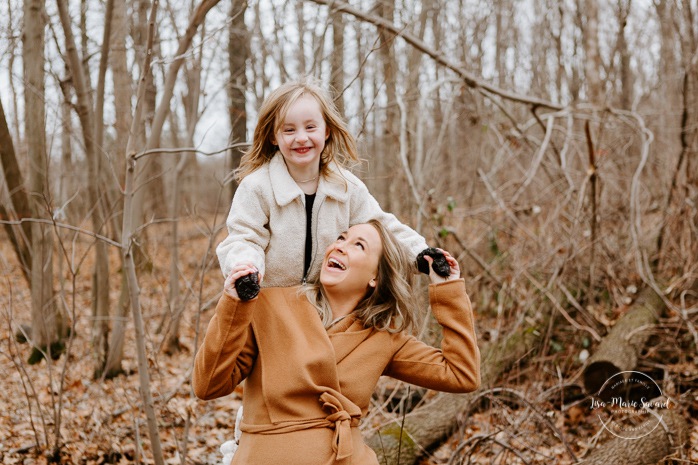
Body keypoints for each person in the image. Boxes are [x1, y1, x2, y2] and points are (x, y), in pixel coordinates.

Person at [193, 220, 480, 465]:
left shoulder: (383, 337)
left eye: (359, 245)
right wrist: (234, 304)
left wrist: (448, 291)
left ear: (375, 278)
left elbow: (461, 374)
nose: (340, 245)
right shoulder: (270, 306)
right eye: (341, 237)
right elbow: (208, 385)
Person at [216, 77, 446, 298]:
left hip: (323, 307)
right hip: (272, 305)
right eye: (289, 130)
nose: (301, 138)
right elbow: (244, 239)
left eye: (310, 127)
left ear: (326, 131)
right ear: (273, 137)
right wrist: (246, 270)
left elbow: (381, 227)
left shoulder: (345, 187)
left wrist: (419, 254)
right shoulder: (257, 188)